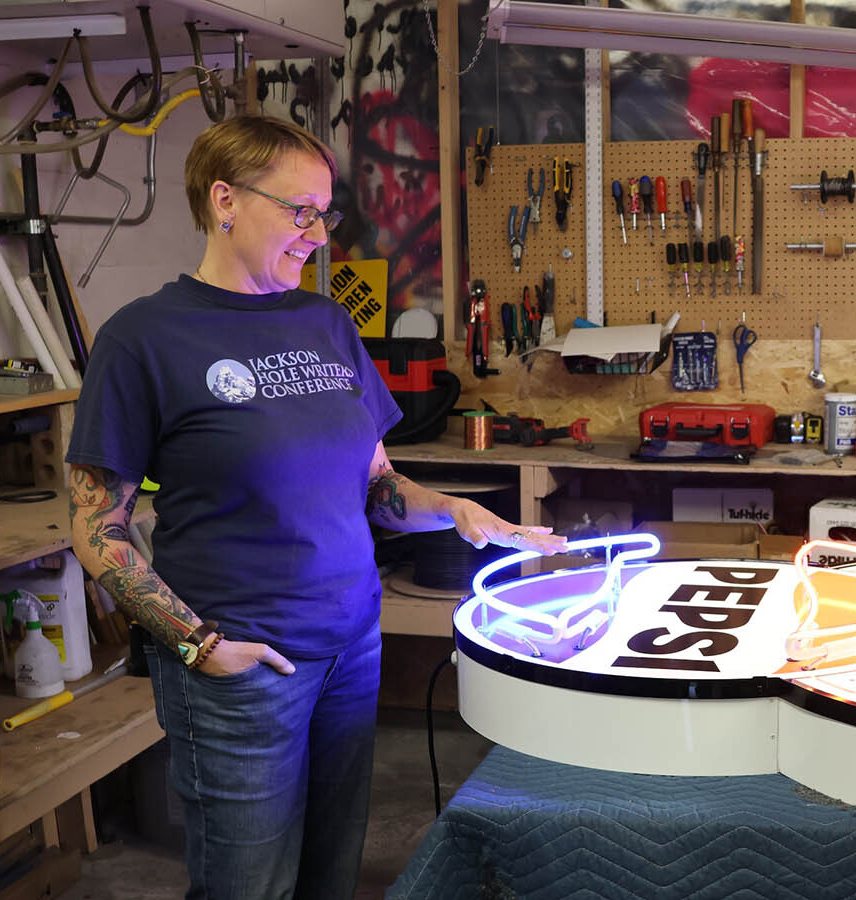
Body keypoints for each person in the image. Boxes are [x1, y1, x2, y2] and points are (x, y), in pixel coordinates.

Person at [65, 114, 565, 899]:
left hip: (350, 647)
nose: (317, 234)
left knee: (330, 873)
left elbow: (375, 487)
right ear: (224, 200)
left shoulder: (327, 323)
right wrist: (198, 646)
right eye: (298, 211)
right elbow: (97, 529)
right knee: (248, 885)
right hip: (240, 664)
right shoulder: (143, 339)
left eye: (323, 214)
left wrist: (459, 511)